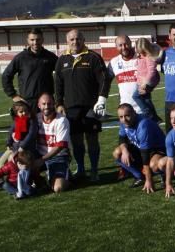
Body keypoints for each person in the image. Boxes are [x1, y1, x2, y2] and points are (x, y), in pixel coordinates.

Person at [54, 29, 111, 183]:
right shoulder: (62, 60)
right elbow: (58, 84)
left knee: (92, 139)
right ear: (67, 41)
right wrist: (59, 103)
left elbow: (104, 80)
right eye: (72, 39)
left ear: (83, 39)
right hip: (71, 109)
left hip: (91, 108)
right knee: (76, 141)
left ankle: (94, 170)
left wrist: (101, 100)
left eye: (78, 39)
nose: (75, 42)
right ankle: (80, 169)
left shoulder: (93, 57)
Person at [112, 103, 166, 194]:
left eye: (127, 116)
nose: (124, 119)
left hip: (157, 149)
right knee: (118, 152)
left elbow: (145, 154)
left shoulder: (143, 124)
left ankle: (163, 174)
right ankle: (140, 176)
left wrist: (149, 180)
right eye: (121, 117)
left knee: (154, 165)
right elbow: (122, 138)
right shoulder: (123, 122)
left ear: (134, 113)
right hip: (140, 148)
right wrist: (125, 150)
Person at [1, 28, 58, 109]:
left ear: (42, 40)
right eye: (32, 40)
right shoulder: (20, 58)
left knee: (49, 122)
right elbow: (6, 76)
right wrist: (13, 95)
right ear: (28, 40)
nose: (35, 42)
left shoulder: (50, 57)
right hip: (28, 103)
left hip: (47, 103)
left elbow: (62, 74)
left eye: (38, 39)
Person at [34, 93, 71, 194]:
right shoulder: (35, 119)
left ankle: (65, 175)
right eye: (44, 104)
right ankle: (41, 177)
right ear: (39, 105)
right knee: (20, 160)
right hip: (39, 155)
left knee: (58, 188)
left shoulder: (62, 121)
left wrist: (42, 160)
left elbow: (60, 147)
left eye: (49, 104)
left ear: (54, 104)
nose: (46, 107)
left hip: (57, 156)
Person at [107, 35, 150, 118]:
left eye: (126, 44)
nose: (124, 47)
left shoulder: (140, 57)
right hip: (125, 112)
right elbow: (105, 81)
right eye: (120, 45)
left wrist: (150, 86)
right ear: (116, 47)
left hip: (143, 110)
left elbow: (153, 73)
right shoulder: (113, 62)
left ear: (130, 44)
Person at [0, 99, 37, 168]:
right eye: (21, 112)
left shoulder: (31, 121)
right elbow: (11, 132)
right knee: (1, 160)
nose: (24, 113)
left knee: (11, 159)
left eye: (25, 111)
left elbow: (31, 135)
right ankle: (0, 177)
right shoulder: (17, 120)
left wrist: (22, 146)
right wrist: (8, 143)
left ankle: (13, 178)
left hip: (26, 149)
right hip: (14, 147)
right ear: (16, 113)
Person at [132, 37, 161, 119]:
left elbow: (151, 71)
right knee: (147, 99)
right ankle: (155, 118)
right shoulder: (140, 55)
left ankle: (147, 113)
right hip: (142, 81)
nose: (141, 54)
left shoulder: (149, 57)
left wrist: (146, 83)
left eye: (143, 52)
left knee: (135, 96)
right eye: (140, 51)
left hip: (146, 82)